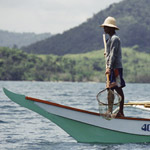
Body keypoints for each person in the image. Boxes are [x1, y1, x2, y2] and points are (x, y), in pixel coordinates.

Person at [100, 16, 126, 117]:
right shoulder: (109, 39)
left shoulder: (115, 39)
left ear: (112, 28)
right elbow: (109, 54)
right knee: (109, 88)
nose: (104, 29)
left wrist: (109, 68)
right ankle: (110, 110)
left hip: (116, 69)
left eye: (106, 27)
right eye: (104, 27)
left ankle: (121, 112)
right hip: (111, 68)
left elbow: (113, 55)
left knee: (118, 88)